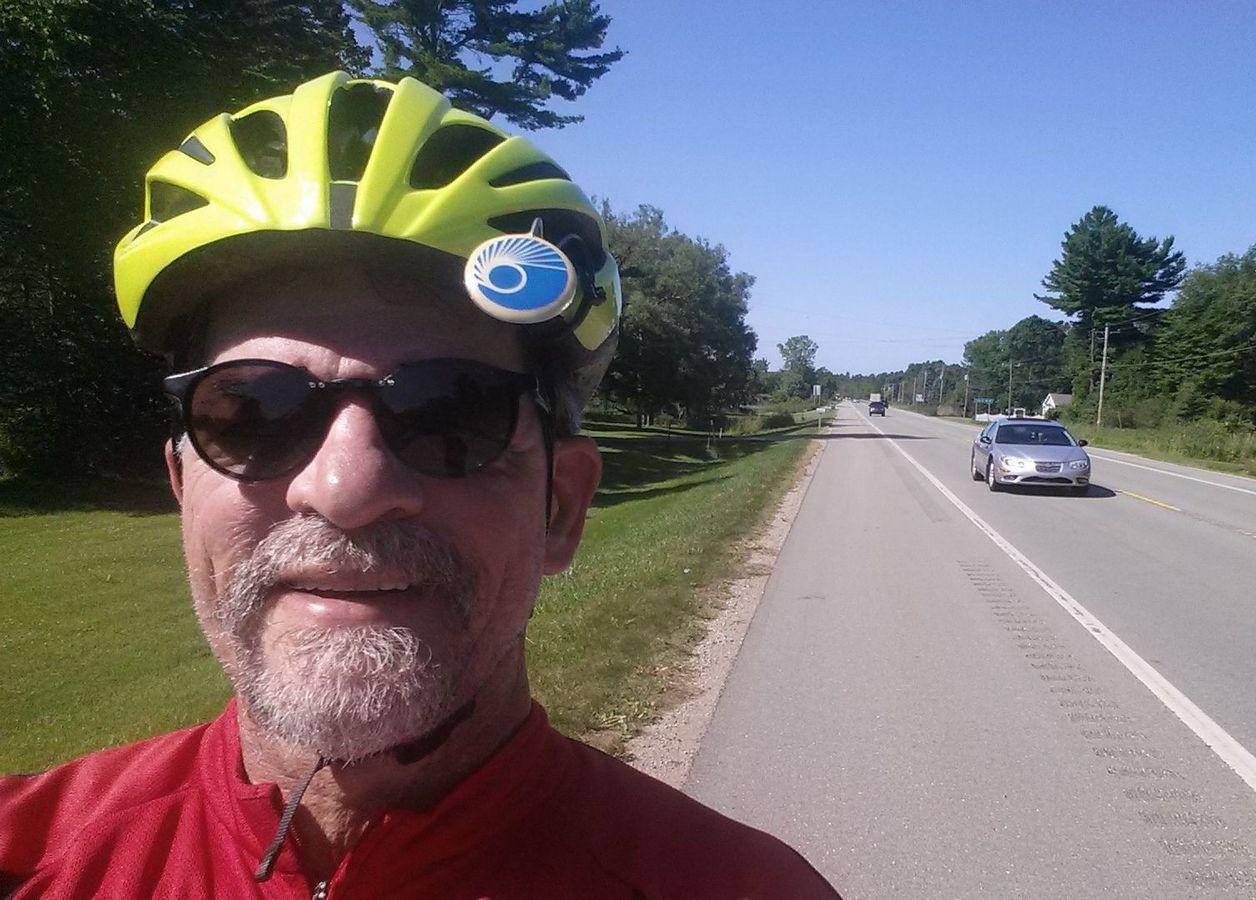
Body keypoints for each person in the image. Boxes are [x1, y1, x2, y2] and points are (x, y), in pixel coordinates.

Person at [0, 72, 838, 899]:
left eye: (450, 411)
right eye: (252, 411)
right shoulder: (27, 859)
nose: (346, 487)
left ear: (560, 507)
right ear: (185, 486)